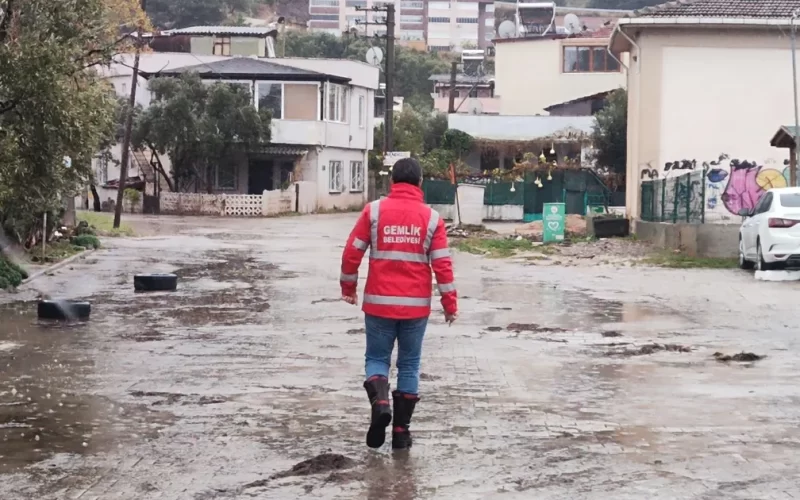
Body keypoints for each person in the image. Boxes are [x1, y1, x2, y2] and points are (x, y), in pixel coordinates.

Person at [340, 158, 458, 450]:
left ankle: (380, 403)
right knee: (409, 364)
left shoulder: (374, 211)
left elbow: (352, 251)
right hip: (415, 308)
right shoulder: (432, 219)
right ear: (420, 183)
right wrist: (450, 304)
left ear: (393, 181)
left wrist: (348, 286)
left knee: (377, 359)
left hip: (378, 305)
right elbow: (442, 265)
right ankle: (401, 432)